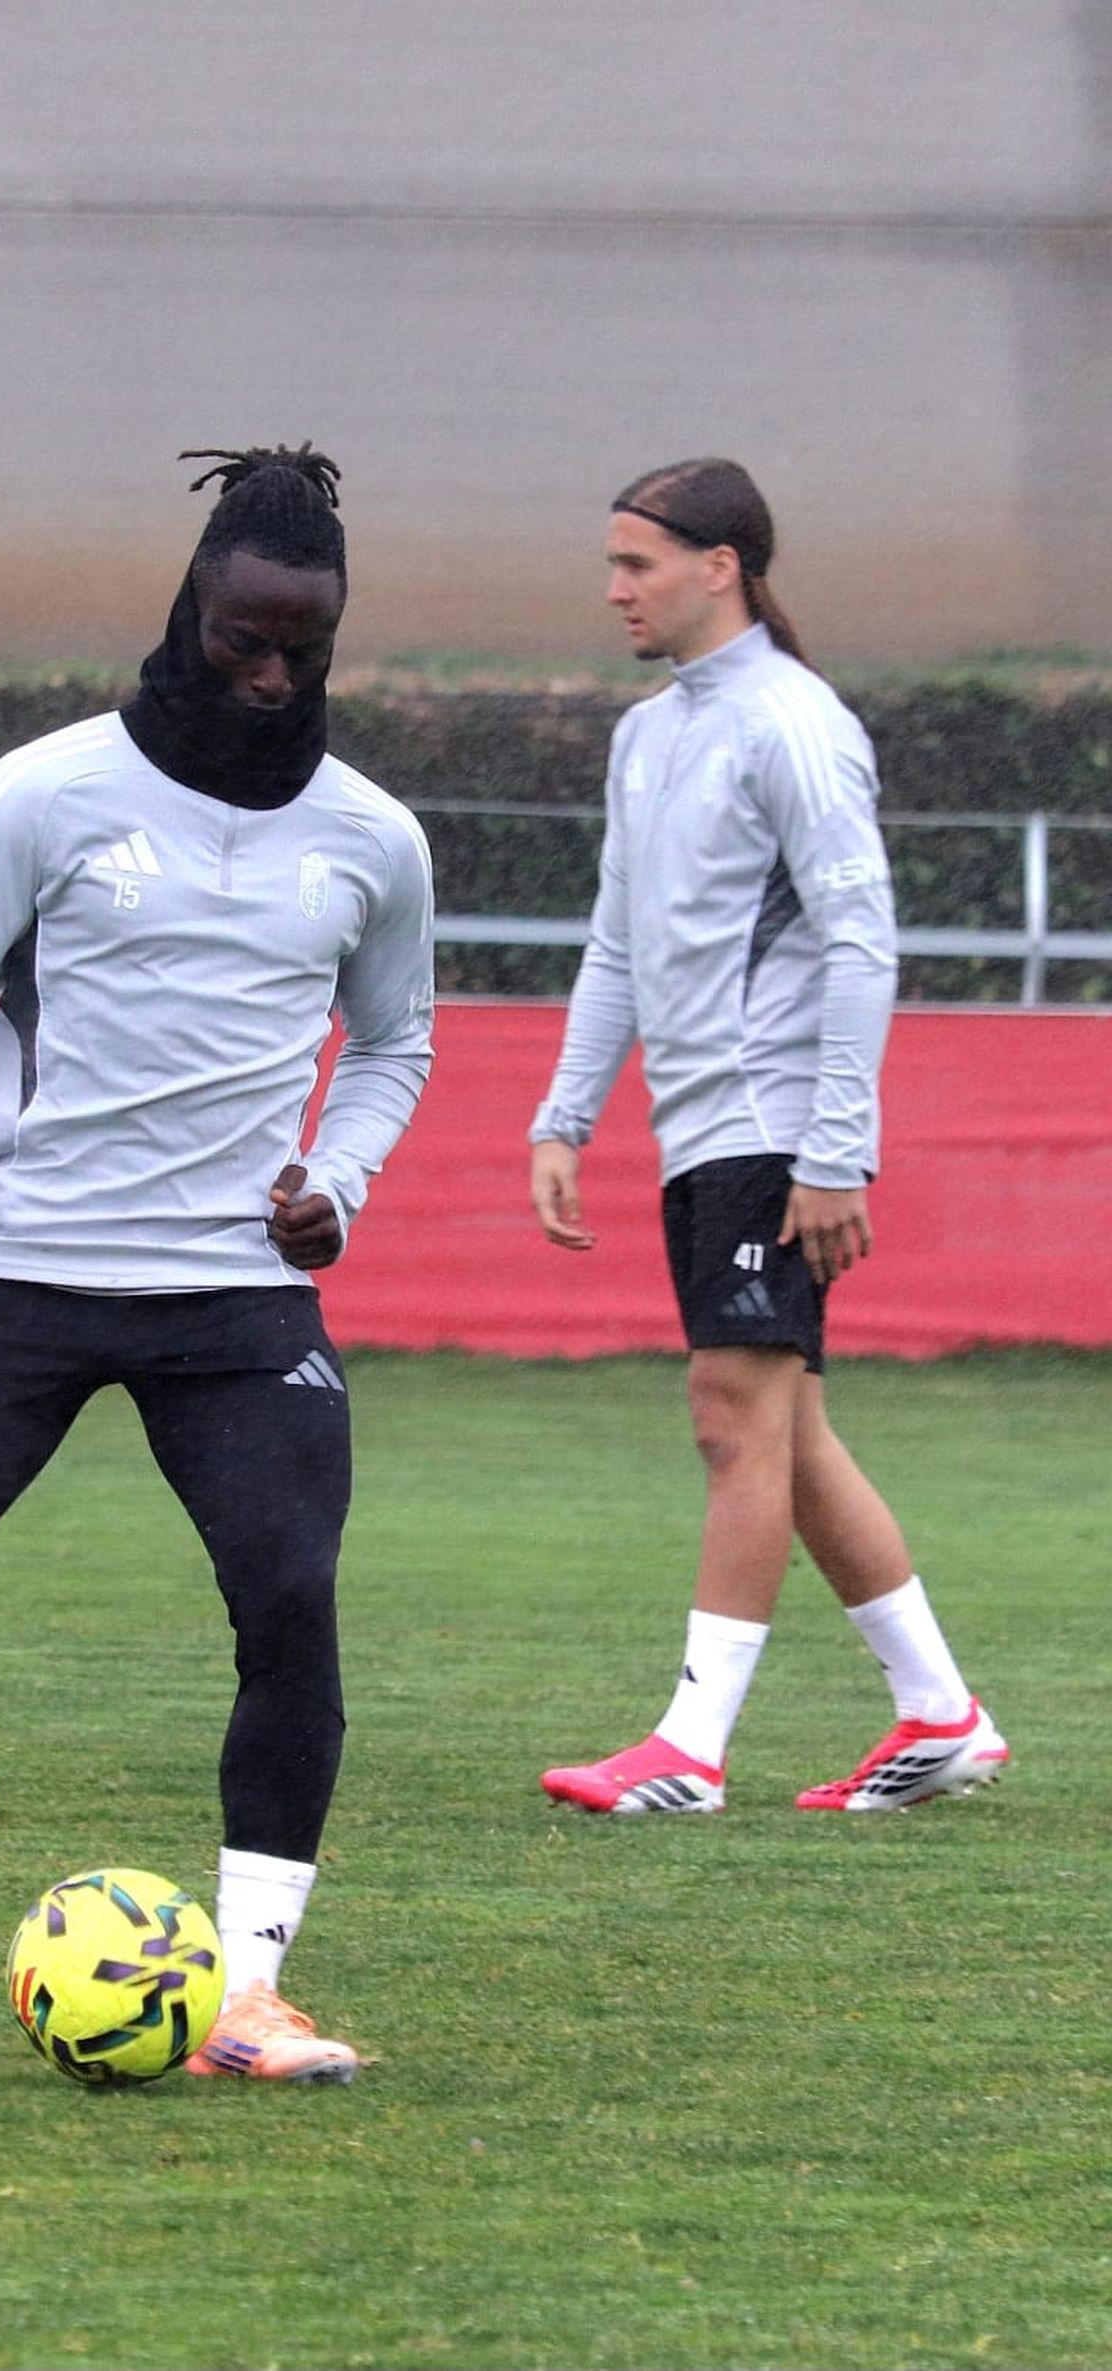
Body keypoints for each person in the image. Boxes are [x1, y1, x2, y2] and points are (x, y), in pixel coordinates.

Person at [0, 444, 436, 2080]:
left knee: (290, 1603)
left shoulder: (373, 836)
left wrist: (338, 1182)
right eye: (245, 640)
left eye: (305, 650)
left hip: (237, 1298)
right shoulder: (49, 792)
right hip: (28, 1266)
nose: (271, 678)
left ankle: (249, 1990)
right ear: (191, 610)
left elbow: (396, 1043)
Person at [530, 457, 1007, 1816]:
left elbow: (862, 940)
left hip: (775, 1127)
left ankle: (690, 1749)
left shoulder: (795, 723)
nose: (615, 589)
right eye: (613, 563)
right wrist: (565, 1118)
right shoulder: (647, 737)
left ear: (721, 566)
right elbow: (616, 945)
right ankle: (941, 1714)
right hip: (702, 1135)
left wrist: (835, 1150)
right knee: (783, 1429)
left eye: (637, 564)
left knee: (733, 1416)